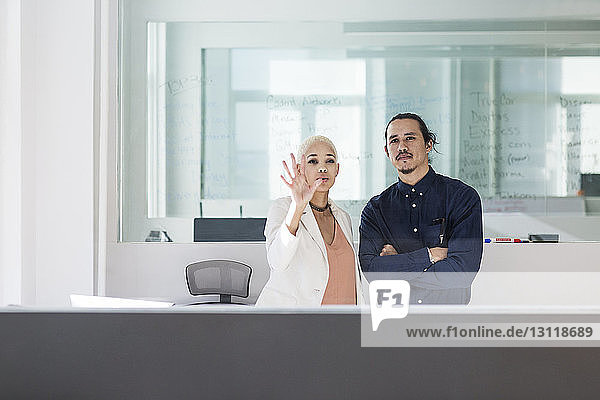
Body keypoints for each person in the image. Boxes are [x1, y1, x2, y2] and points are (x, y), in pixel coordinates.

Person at [359, 113, 482, 304]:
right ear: (386, 150)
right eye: (394, 141)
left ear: (428, 144)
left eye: (410, 138)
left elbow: (462, 272)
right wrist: (430, 256)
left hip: (447, 326)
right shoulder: (376, 209)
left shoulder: (462, 197)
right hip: (394, 325)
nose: (402, 147)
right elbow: (373, 272)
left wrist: (397, 265)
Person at [256, 136, 366, 307]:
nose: (322, 168)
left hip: (342, 325)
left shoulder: (342, 217)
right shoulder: (284, 208)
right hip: (299, 325)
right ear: (300, 169)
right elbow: (277, 261)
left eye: (329, 161)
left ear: (337, 169)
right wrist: (297, 208)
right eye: (313, 161)